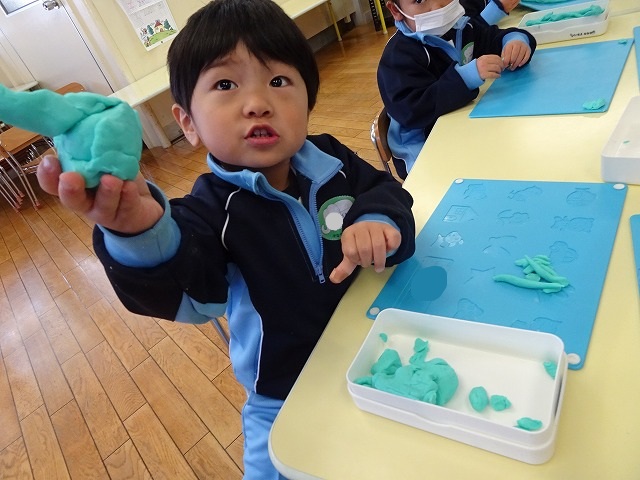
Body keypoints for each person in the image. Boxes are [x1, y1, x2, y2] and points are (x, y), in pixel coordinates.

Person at [36, 0, 416, 478]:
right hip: (284, 393)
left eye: (279, 81)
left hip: (381, 348)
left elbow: (387, 191)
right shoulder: (207, 212)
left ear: (308, 100)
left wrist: (378, 217)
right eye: (225, 85)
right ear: (188, 123)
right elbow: (191, 295)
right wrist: (137, 230)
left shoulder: (332, 159)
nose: (257, 103)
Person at [377, 0, 536, 179]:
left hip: (463, 125)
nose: (437, 6)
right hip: (423, 147)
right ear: (396, 10)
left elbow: (494, 37)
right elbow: (412, 110)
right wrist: (466, 77)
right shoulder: (397, 56)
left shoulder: (462, 27)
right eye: (419, 0)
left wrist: (515, 41)